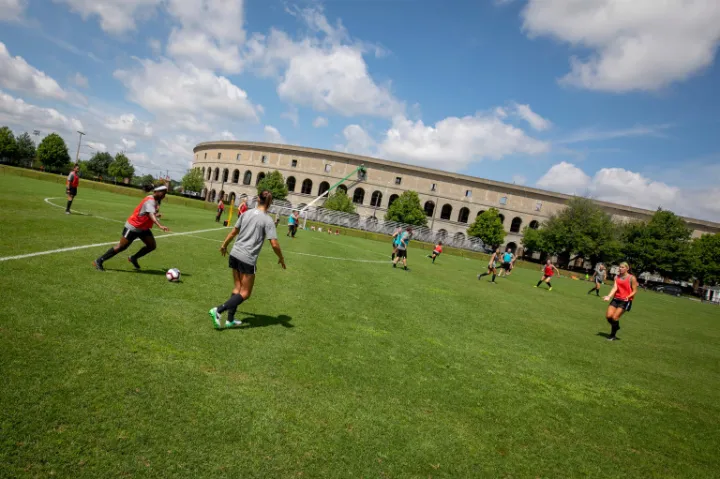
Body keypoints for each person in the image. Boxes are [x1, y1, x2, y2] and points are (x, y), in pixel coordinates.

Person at [209, 190, 286, 329]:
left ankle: (230, 320)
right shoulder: (267, 220)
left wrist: (224, 245)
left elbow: (233, 232)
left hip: (235, 253)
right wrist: (281, 258)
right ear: (269, 203)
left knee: (237, 288)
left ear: (258, 200)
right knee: (245, 293)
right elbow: (274, 244)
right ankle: (218, 310)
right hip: (247, 258)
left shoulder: (246, 213)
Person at [92, 186, 169, 271]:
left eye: (165, 193)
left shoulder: (155, 199)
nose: (164, 195)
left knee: (151, 246)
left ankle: (133, 258)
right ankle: (99, 260)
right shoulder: (150, 201)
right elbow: (151, 214)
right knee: (121, 247)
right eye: (163, 193)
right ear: (156, 192)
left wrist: (155, 213)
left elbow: (149, 212)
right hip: (133, 227)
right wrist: (159, 225)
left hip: (143, 228)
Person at [603, 262, 638, 341]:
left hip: (625, 301)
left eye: (622, 267)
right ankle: (616, 326)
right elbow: (615, 288)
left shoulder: (632, 278)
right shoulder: (617, 277)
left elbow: (635, 291)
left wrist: (628, 297)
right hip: (616, 299)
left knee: (615, 317)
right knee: (608, 316)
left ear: (627, 268)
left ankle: (612, 336)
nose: (620, 268)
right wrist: (609, 296)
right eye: (619, 267)